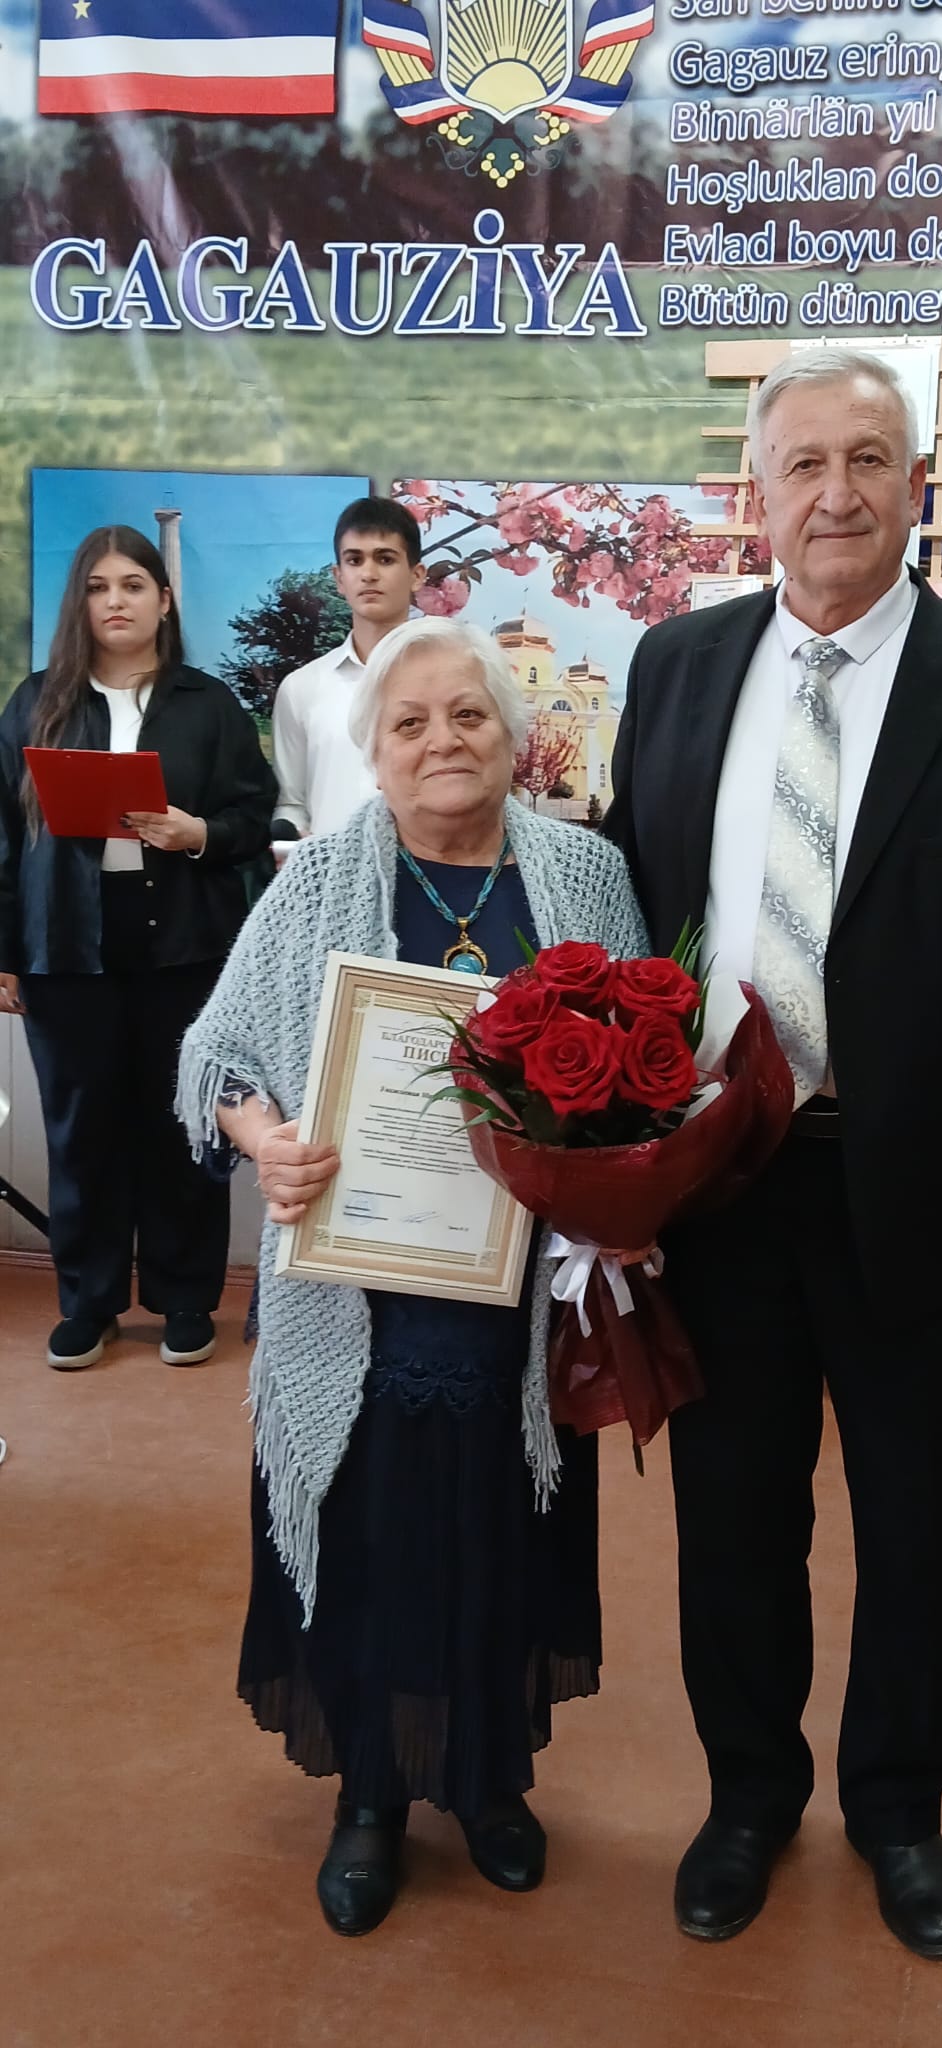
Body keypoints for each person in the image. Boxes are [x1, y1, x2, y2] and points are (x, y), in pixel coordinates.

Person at [605, 348, 942, 1960]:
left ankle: (898, 1811)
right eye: (804, 463)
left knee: (914, 1523)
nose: (834, 493)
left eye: (867, 460)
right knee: (730, 1519)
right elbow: (634, 923)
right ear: (753, 492)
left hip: (925, 1202)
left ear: (915, 485)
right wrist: (611, 1160)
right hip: (718, 1184)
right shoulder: (675, 667)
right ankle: (746, 1799)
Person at [178, 617, 648, 1937]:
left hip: (521, 1294)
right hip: (358, 1290)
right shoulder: (321, 878)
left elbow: (635, 1068)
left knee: (504, 1529)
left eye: (468, 714)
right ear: (374, 753)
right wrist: (266, 1142)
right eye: (409, 722)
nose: (442, 740)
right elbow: (218, 1056)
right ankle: (372, 1794)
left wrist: (620, 1175)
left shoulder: (585, 873)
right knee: (372, 1534)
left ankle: (490, 1780)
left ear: (514, 735)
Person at [0, 525, 276, 1370]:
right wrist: (4, 950)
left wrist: (199, 833)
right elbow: (4, 839)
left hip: (183, 942)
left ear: (164, 599)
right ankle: (87, 1303)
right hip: (64, 945)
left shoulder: (209, 704)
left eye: (132, 585)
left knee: (182, 1121)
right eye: (97, 587)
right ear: (78, 603)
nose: (115, 601)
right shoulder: (35, 701)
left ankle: (185, 1297)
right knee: (80, 1128)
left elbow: (253, 818)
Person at [271, 495, 425, 837]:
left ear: (416, 575)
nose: (368, 574)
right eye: (355, 560)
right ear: (339, 578)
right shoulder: (302, 688)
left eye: (385, 559)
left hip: (430, 867)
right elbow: (291, 804)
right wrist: (300, 842)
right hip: (329, 867)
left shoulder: (447, 681)